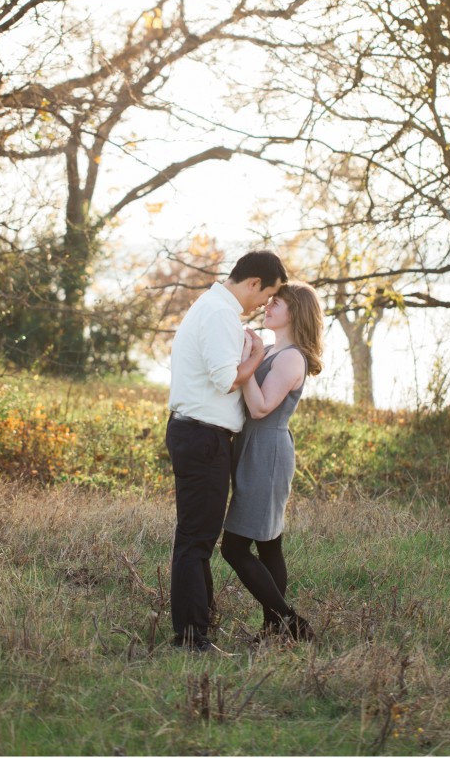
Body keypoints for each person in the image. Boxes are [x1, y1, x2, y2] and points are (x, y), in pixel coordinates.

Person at [166, 250, 288, 652]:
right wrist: (256, 356)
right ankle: (190, 637)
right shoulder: (219, 314)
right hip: (202, 437)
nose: (262, 304)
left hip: (201, 436)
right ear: (253, 283)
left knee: (198, 537)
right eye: (265, 294)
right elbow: (225, 381)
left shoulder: (216, 308)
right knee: (195, 540)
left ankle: (200, 625)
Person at [221, 281, 324, 642]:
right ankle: (273, 629)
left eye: (276, 303)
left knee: (233, 548)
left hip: (268, 452)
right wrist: (252, 355)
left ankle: (291, 622)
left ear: (295, 311)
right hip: (252, 448)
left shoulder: (292, 356)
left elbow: (262, 406)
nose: (267, 306)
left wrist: (249, 362)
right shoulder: (271, 351)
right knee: (269, 544)